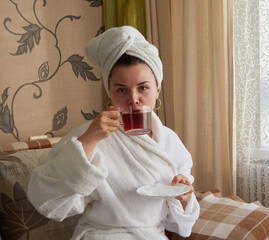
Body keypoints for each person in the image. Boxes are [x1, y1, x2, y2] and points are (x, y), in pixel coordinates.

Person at [28, 26, 200, 240]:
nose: (133, 99)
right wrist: (88, 141)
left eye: (143, 88)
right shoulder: (90, 135)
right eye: (121, 90)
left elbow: (178, 224)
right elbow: (45, 199)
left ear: (157, 89)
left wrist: (183, 197)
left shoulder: (171, 142)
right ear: (110, 93)